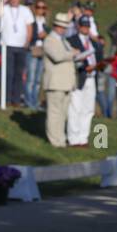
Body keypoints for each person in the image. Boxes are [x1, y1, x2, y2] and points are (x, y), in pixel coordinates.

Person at [42, 12, 79, 147]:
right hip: (55, 83)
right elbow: (57, 56)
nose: (63, 29)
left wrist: (75, 54)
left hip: (66, 82)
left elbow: (67, 55)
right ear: (55, 26)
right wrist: (72, 54)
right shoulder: (49, 40)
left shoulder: (64, 41)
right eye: (61, 27)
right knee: (54, 113)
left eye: (64, 27)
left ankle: (61, 139)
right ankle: (54, 141)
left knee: (63, 114)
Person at [66, 19, 102, 146]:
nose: (85, 28)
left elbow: (99, 59)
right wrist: (83, 66)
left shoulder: (93, 43)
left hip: (92, 77)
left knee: (88, 109)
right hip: (79, 76)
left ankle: (83, 138)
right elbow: (70, 58)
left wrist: (99, 66)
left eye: (87, 26)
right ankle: (73, 138)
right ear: (78, 26)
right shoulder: (71, 40)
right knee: (75, 108)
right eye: (83, 26)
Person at [0, 0, 33, 106]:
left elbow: (29, 27)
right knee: (7, 73)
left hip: (21, 46)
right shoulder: (4, 8)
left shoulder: (25, 10)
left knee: (19, 74)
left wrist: (27, 42)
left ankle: (16, 99)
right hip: (7, 45)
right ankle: (6, 99)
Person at [25, 0, 49, 110]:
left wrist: (46, 35)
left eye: (43, 8)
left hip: (42, 51)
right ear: (35, 9)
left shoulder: (45, 22)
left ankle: (35, 101)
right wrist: (38, 36)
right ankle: (29, 101)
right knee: (31, 78)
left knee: (38, 80)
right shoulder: (31, 21)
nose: (41, 10)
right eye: (39, 7)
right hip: (33, 50)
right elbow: (27, 36)